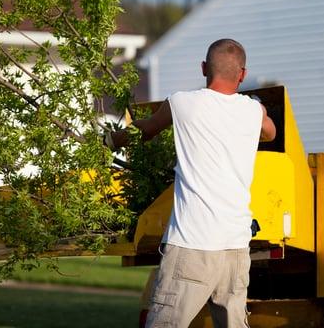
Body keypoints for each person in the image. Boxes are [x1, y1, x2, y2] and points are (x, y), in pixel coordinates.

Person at [106, 38, 276, 327]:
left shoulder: (182, 103)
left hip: (193, 245)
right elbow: (270, 132)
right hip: (235, 247)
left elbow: (144, 131)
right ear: (243, 75)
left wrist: (108, 140)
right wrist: (255, 112)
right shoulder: (252, 112)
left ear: (203, 68)